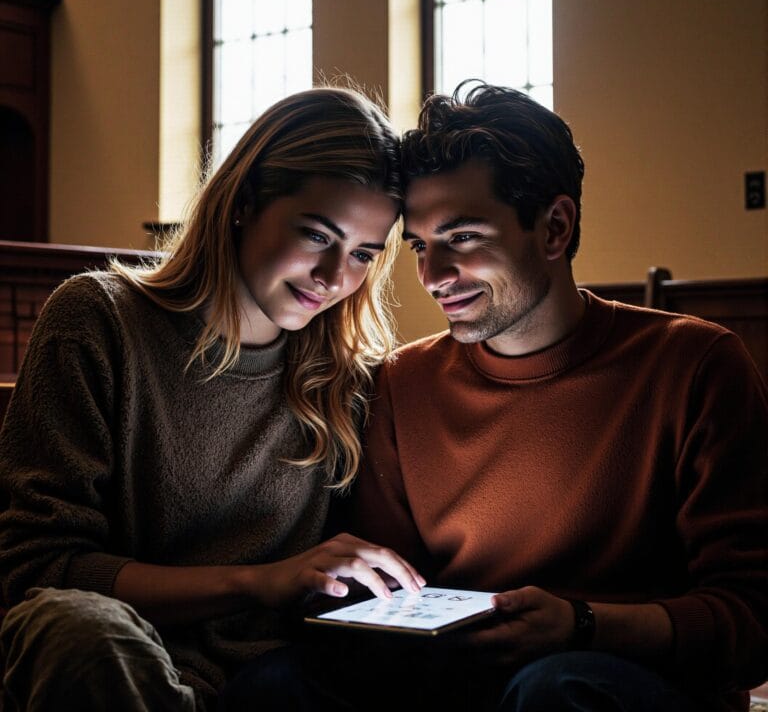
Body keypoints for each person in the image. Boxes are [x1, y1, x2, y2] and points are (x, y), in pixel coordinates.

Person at [0, 86, 425, 711]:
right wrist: (257, 583)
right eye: (314, 235)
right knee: (83, 633)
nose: (335, 278)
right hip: (114, 666)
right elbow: (40, 570)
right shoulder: (98, 321)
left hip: (276, 678)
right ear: (245, 203)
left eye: (362, 254)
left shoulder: (346, 379)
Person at [347, 81, 768, 712]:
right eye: (420, 247)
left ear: (554, 227)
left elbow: (754, 619)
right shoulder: (400, 383)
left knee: (556, 689)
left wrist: (584, 624)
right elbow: (387, 599)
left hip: (619, 681)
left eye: (462, 238)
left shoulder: (695, 364)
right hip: (460, 679)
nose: (433, 278)